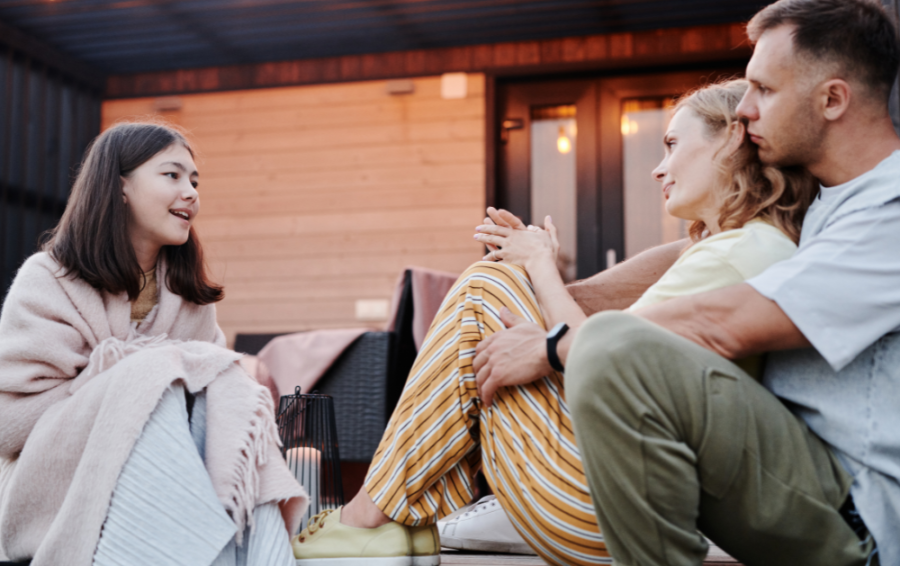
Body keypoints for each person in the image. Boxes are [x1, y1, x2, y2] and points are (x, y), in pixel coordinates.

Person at [290, 77, 817, 566]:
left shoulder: (736, 254)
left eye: (673, 145)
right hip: (626, 492)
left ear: (729, 142)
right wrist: (533, 279)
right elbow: (597, 348)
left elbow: (600, 362)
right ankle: (399, 521)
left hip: (609, 507)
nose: (658, 168)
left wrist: (540, 264)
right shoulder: (739, 247)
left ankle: (370, 519)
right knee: (493, 290)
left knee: (480, 290)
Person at [561, 0, 900, 565]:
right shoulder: (827, 201)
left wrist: (557, 343)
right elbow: (704, 247)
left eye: (764, 89)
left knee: (612, 348)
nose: (744, 108)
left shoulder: (890, 208)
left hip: (858, 518)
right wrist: (560, 287)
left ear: (833, 99)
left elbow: (725, 325)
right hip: (792, 471)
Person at [0, 122, 305, 566]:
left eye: (195, 181)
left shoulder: (189, 297)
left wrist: (149, 374)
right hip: (50, 487)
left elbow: (209, 409)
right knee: (155, 376)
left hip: (169, 478)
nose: (191, 193)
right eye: (172, 176)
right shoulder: (48, 280)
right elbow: (8, 421)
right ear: (120, 186)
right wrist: (123, 379)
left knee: (229, 390)